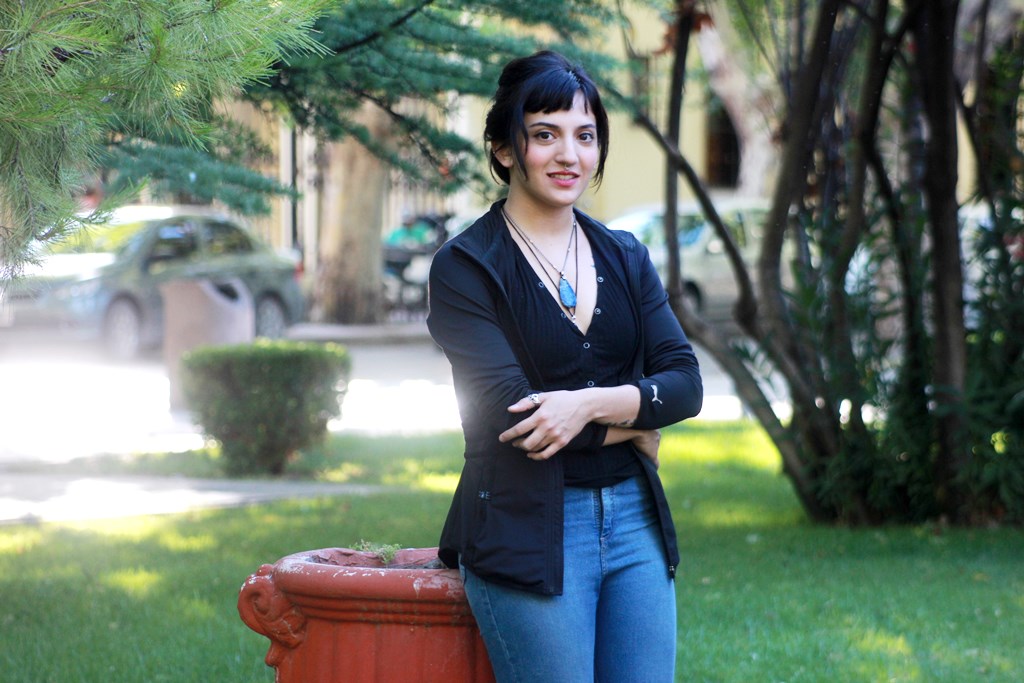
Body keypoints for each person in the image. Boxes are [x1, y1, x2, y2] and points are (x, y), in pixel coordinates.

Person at [426, 50, 703, 682]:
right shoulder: (467, 267)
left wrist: (586, 405)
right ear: (504, 149)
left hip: (635, 523)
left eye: (585, 136)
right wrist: (638, 421)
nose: (569, 155)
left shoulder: (626, 255)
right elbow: (518, 420)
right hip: (523, 527)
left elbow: (686, 385)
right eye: (545, 135)